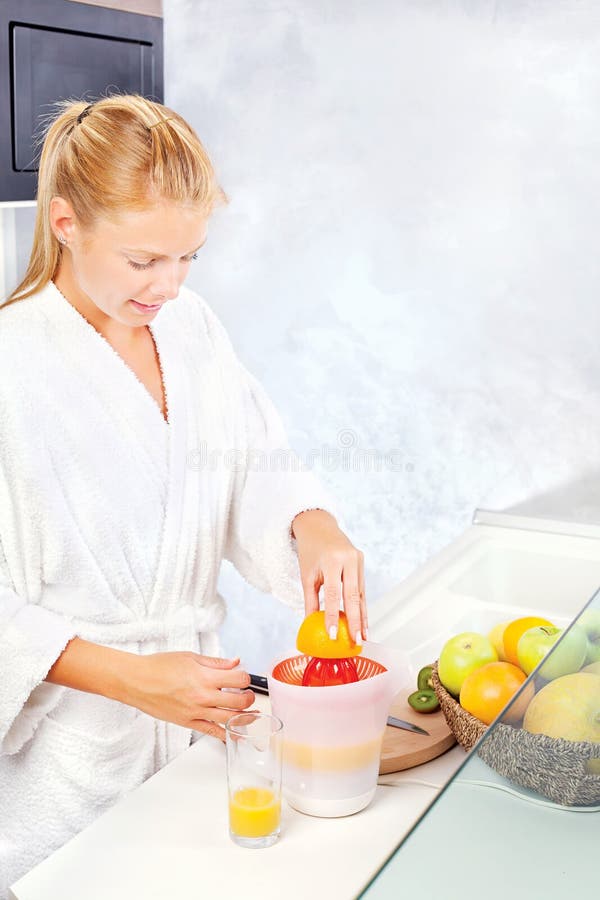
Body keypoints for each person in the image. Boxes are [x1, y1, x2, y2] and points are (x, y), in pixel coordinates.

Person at [0, 95, 368, 893]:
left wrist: (310, 522)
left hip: (197, 737)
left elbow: (252, 458)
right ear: (65, 223)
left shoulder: (190, 326)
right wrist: (125, 676)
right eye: (143, 261)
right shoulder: (9, 364)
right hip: (70, 765)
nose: (169, 285)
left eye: (189, 257)